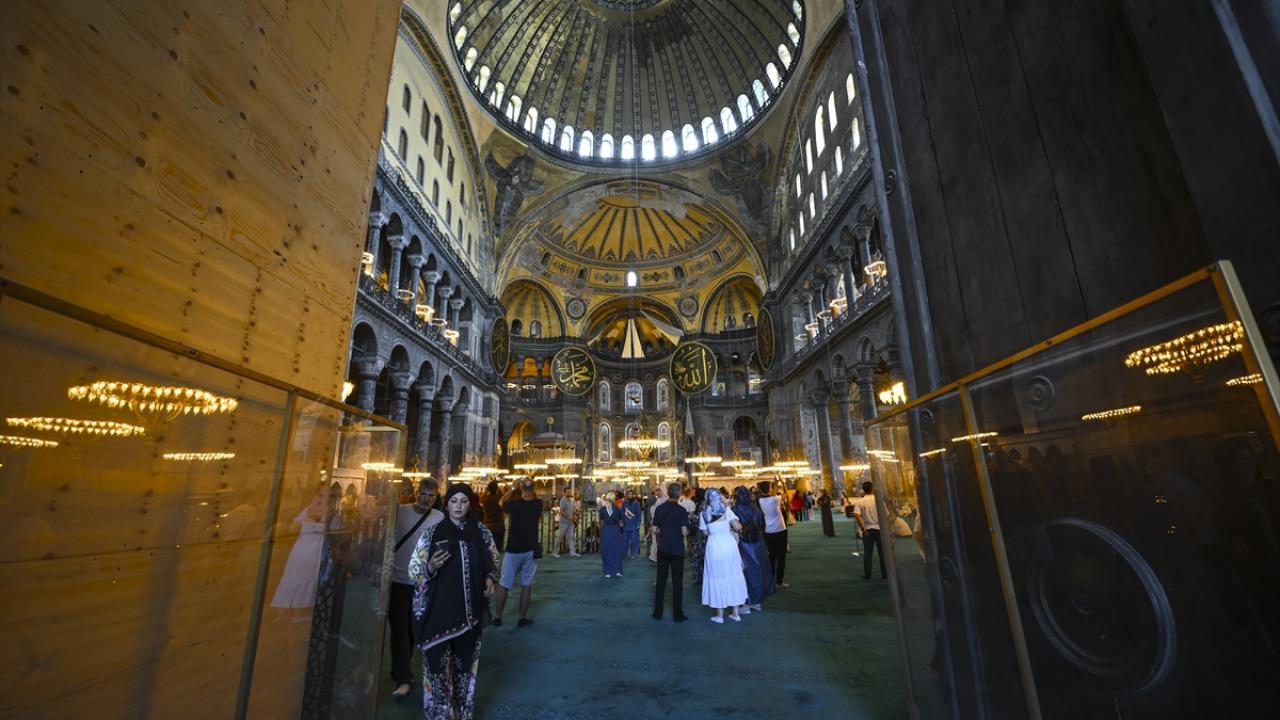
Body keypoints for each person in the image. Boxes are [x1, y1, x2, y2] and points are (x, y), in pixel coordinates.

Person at [408, 484, 499, 720]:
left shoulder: (481, 533)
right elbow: (413, 570)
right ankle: (440, 714)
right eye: (454, 501)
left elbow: (493, 561)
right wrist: (430, 566)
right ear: (446, 504)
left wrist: (489, 577)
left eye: (463, 501)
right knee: (437, 671)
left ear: (470, 504)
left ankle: (461, 712)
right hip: (439, 613)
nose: (458, 507)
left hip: (469, 614)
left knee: (463, 669)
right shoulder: (433, 533)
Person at [387, 479, 443, 699]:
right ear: (416, 494)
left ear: (436, 496)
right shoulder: (400, 512)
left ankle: (400, 668)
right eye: (423, 494)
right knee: (399, 630)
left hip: (422, 583)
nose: (426, 499)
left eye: (430, 495)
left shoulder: (439, 517)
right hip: (398, 580)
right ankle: (404, 678)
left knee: (412, 631)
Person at [270, 491, 329, 620]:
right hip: (304, 552)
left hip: (308, 551)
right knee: (296, 578)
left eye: (322, 502)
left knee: (299, 579)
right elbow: (293, 529)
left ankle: (293, 612)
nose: (319, 506)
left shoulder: (316, 513)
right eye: (317, 502)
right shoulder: (308, 512)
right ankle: (286, 612)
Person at [492, 478, 542, 628]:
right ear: (533, 489)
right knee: (527, 585)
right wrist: (527, 485)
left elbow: (501, 502)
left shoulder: (514, 504)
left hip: (513, 548)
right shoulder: (538, 504)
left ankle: (498, 617)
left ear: (521, 489)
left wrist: (513, 488)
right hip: (530, 549)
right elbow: (535, 497)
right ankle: (521, 618)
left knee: (504, 584)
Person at [699, 489, 747, 623]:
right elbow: (738, 527)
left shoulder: (704, 513)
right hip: (729, 543)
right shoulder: (727, 510)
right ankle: (736, 613)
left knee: (716, 575)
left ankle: (719, 616)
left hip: (714, 545)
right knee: (734, 574)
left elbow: (704, 533)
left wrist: (715, 531)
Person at [651, 483, 690, 622]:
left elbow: (654, 529)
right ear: (679, 494)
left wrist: (663, 530)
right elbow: (684, 532)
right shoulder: (682, 510)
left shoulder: (660, 509)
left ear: (667, 492)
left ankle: (658, 612)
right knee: (677, 583)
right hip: (677, 549)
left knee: (661, 581)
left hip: (663, 548)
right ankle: (677, 614)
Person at [733, 485, 775, 612]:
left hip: (743, 544)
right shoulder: (756, 509)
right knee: (759, 570)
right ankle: (757, 601)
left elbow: (734, 527)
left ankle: (747, 602)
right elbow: (762, 524)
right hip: (758, 543)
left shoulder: (735, 510)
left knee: (746, 572)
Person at [758, 481, 789, 588]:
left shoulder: (761, 500)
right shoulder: (775, 499)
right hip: (780, 530)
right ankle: (779, 582)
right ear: (769, 489)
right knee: (781, 557)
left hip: (769, 531)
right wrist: (782, 482)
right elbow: (785, 493)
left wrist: (774, 483)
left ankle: (770, 581)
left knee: (771, 556)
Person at [853, 481, 886, 579]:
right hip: (880, 529)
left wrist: (862, 528)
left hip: (867, 529)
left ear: (863, 490)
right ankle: (885, 574)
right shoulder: (879, 500)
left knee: (867, 553)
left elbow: (856, 515)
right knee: (882, 553)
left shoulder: (860, 501)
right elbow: (886, 514)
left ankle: (868, 574)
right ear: (872, 489)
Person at [599, 493, 625, 577]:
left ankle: (607, 572)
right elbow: (621, 522)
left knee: (606, 551)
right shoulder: (617, 509)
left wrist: (602, 533)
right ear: (614, 499)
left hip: (606, 530)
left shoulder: (602, 510)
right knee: (616, 550)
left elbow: (601, 523)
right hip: (615, 530)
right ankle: (618, 571)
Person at [553, 486, 580, 557]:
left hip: (570, 522)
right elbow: (561, 511)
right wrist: (569, 517)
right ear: (564, 493)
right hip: (564, 522)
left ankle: (572, 552)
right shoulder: (563, 500)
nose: (569, 493)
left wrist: (575, 512)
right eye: (568, 492)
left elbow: (572, 508)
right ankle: (554, 552)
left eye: (570, 491)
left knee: (571, 537)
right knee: (560, 537)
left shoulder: (570, 499)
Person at [481, 479, 505, 552]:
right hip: (498, 525)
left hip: (488, 525)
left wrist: (487, 489)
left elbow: (482, 496)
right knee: (499, 549)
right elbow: (506, 495)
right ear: (496, 489)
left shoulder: (485, 498)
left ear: (488, 489)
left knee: (488, 549)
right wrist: (501, 487)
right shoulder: (500, 497)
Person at [648, 486, 669, 562]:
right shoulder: (658, 500)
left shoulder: (666, 500)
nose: (657, 492)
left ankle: (661, 556)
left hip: (662, 525)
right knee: (655, 540)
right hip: (655, 523)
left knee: (660, 541)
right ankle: (654, 556)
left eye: (659, 490)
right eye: (656, 490)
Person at [622, 489, 643, 559]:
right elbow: (622, 513)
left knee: (634, 541)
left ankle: (634, 554)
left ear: (633, 495)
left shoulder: (637, 503)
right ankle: (624, 554)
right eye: (629, 494)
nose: (630, 495)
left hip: (634, 524)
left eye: (631, 494)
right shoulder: (624, 503)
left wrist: (638, 523)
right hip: (626, 524)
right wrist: (621, 521)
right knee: (624, 541)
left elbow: (639, 514)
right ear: (627, 495)